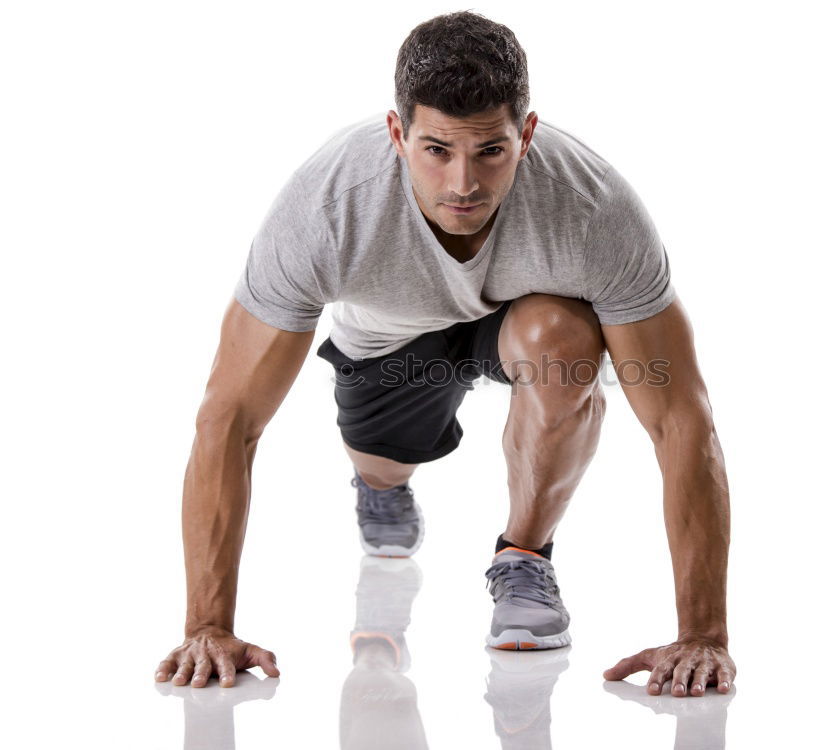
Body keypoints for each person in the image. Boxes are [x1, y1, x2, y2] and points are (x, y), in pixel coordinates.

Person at [153, 10, 736, 699]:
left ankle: (523, 558)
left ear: (526, 133)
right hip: (389, 349)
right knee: (383, 462)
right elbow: (230, 416)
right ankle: (381, 489)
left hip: (519, 324)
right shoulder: (328, 208)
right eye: (436, 150)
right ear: (398, 133)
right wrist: (207, 624)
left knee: (564, 342)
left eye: (490, 150)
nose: (463, 182)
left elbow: (681, 420)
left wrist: (704, 635)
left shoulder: (595, 211)